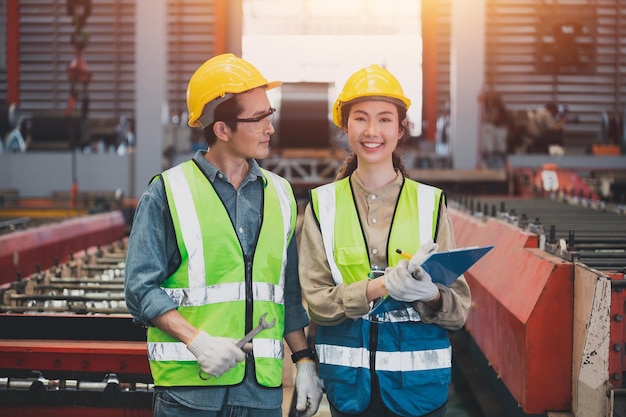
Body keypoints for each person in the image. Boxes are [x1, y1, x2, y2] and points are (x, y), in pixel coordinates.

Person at [124, 53, 322, 417]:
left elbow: (286, 294)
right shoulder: (168, 193)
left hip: (260, 394)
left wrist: (304, 360)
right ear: (222, 129)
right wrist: (196, 341)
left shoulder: (280, 194)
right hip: (189, 393)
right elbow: (140, 289)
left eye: (269, 115)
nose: (270, 128)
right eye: (258, 118)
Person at [298, 64, 472, 417]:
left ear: (401, 128)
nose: (372, 131)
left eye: (384, 119)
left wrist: (432, 295)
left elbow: (458, 312)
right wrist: (378, 289)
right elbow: (317, 304)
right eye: (360, 118)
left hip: (419, 393)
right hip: (349, 389)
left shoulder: (430, 204)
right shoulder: (323, 205)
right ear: (346, 127)